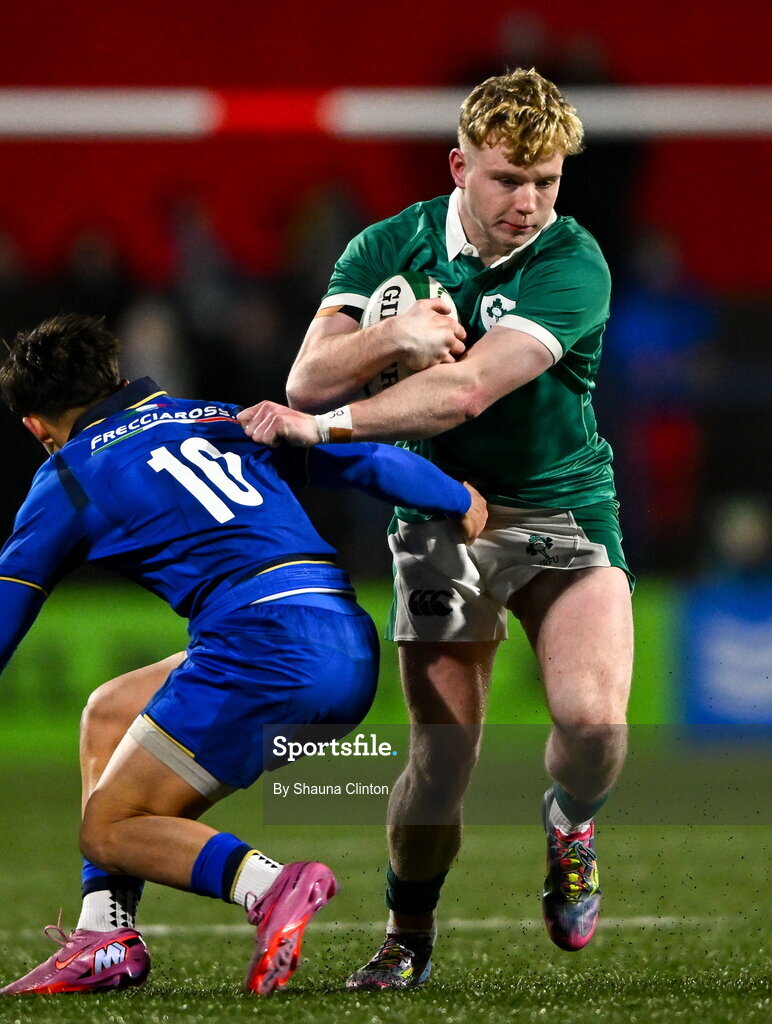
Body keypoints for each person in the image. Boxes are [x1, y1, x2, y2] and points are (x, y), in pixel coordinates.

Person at [0, 313, 487, 996]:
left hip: (259, 649)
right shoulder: (219, 414)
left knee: (108, 828)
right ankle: (104, 939)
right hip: (343, 640)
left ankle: (271, 887)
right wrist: (453, 497)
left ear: (37, 426)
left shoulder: (68, 476)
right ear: (118, 377)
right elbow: (355, 454)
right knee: (110, 712)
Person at [239, 67, 634, 987]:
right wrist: (394, 338)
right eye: (509, 179)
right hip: (438, 519)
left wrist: (328, 429)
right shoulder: (387, 246)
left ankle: (570, 824)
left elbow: (462, 391)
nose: (530, 202)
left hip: (561, 509)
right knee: (441, 762)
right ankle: (407, 935)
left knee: (594, 726)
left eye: (547, 182)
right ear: (460, 166)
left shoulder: (574, 260)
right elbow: (307, 376)